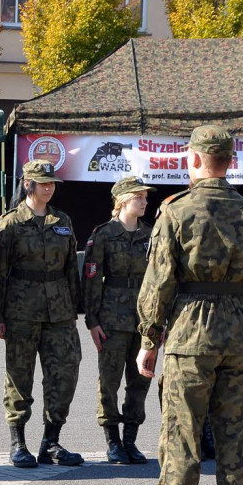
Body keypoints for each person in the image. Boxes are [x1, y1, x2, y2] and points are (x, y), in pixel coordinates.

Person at [127, 125, 243, 485]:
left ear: (193, 160)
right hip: (242, 331)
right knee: (233, 435)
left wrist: (148, 339)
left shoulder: (177, 211)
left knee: (182, 434)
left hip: (191, 332)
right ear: (229, 161)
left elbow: (158, 284)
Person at [0, 160, 83, 468]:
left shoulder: (62, 220)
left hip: (59, 310)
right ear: (28, 184)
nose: (48, 187)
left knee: (64, 373)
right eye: (42, 183)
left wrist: (74, 308)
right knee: (19, 376)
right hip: (21, 309)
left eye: (52, 183)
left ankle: (51, 441)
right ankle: (18, 442)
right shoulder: (11, 222)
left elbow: (72, 268)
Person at [82, 177, 155, 465]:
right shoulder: (103, 234)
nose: (145, 201)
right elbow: (91, 280)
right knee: (109, 381)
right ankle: (112, 440)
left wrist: (157, 322)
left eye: (145, 196)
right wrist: (92, 320)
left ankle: (131, 440)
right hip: (111, 319)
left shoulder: (152, 234)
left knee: (140, 381)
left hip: (144, 319)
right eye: (139, 196)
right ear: (123, 200)